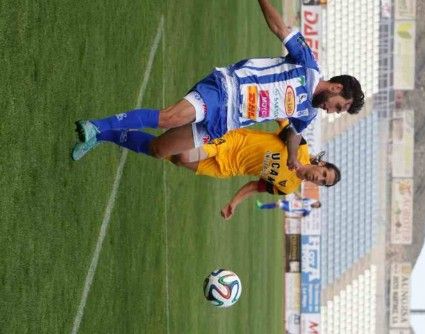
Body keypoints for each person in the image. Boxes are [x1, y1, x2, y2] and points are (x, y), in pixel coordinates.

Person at [72, 0, 364, 168]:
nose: (332, 111)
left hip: (226, 122)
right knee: (169, 117)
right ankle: (97, 126)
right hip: (225, 90)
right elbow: (279, 27)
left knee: (161, 150)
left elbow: (294, 135)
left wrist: (293, 159)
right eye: (339, 107)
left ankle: (101, 137)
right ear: (337, 88)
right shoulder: (308, 65)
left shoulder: (308, 113)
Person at [169, 122, 340, 220]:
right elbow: (282, 119)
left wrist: (233, 203)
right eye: (324, 174)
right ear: (321, 164)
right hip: (232, 142)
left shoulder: (287, 187)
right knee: (184, 155)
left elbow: (254, 186)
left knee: (174, 158)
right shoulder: (299, 146)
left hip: (228, 169)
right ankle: (179, 124)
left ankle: (149, 142)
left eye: (323, 182)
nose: (319, 178)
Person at [256, 193, 321, 218]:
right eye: (316, 203)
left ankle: (261, 206)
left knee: (278, 203)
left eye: (316, 205)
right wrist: (294, 192)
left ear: (316, 207)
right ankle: (261, 206)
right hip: (290, 203)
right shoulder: (309, 200)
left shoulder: (308, 211)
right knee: (275, 204)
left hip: (290, 208)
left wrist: (290, 217)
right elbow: (301, 198)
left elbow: (300, 216)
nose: (315, 204)